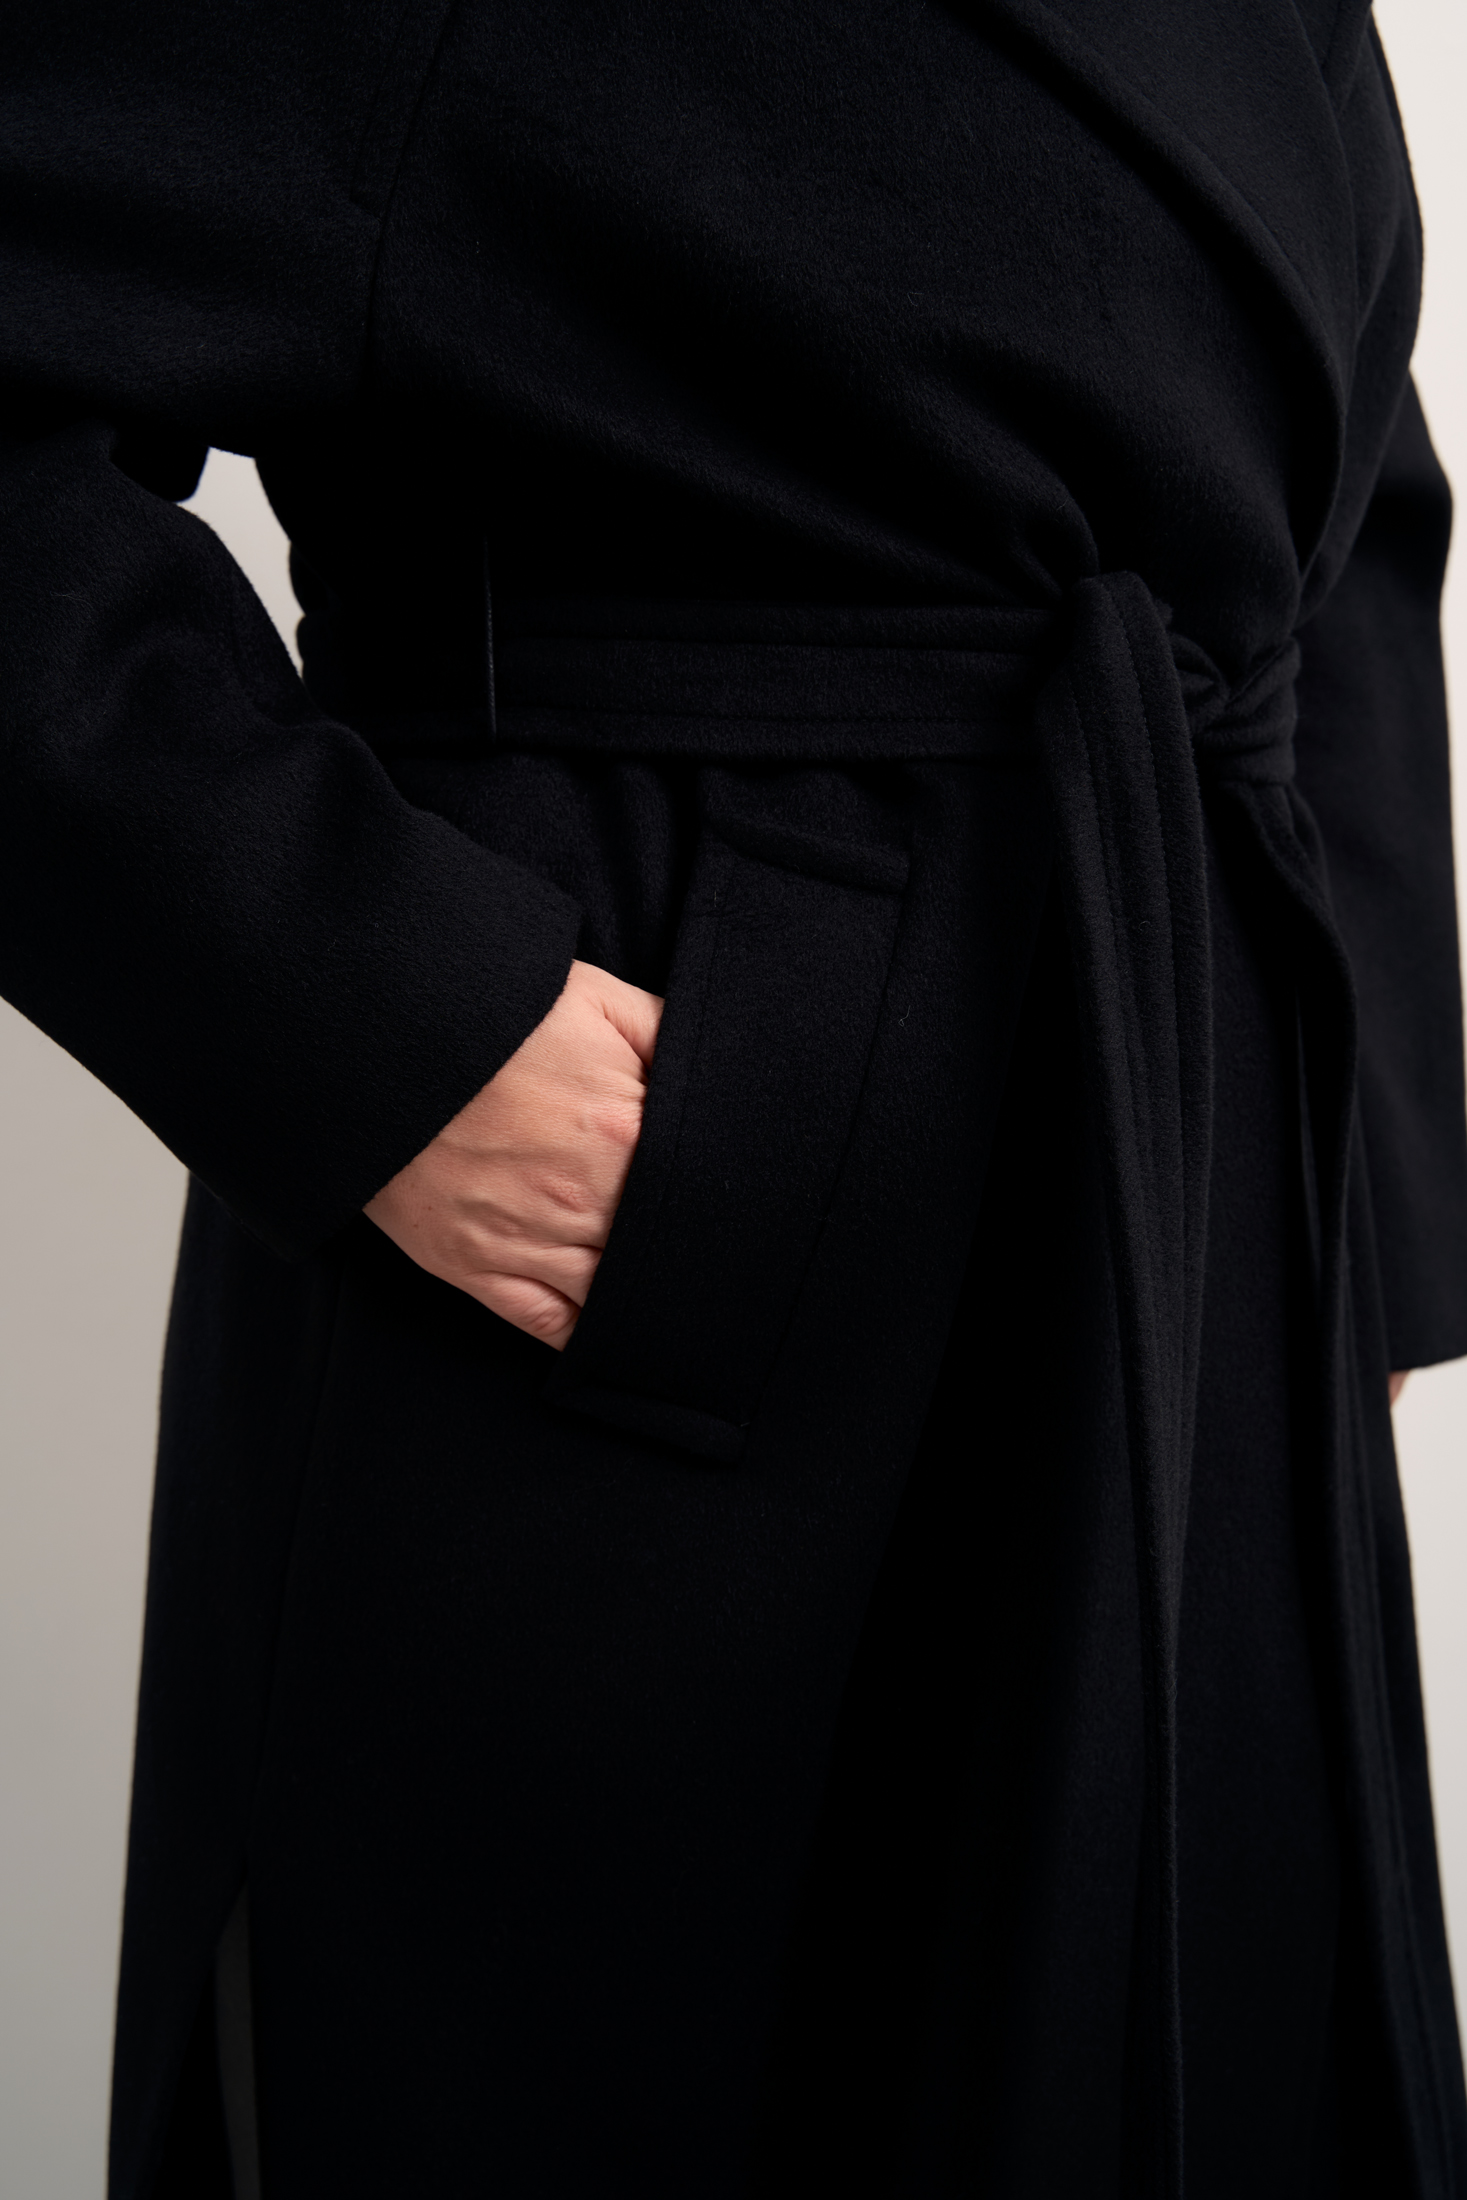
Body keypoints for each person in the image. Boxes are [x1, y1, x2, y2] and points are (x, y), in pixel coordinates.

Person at [2, 1, 1466, 2192]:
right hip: (666, 1251)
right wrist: (396, 1030)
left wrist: (1355, 1211)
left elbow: (1340, 500)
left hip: (1186, 1182)